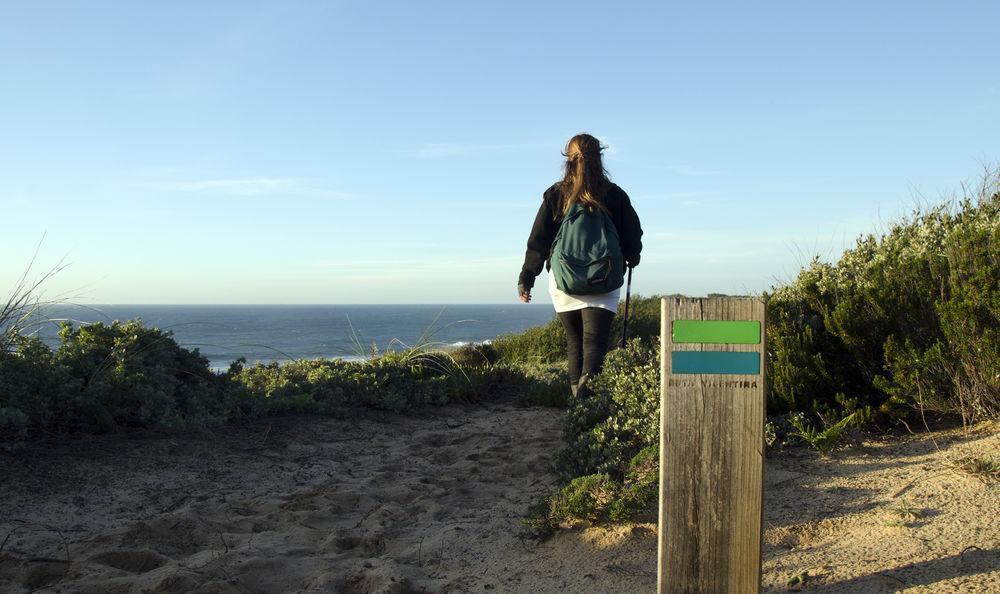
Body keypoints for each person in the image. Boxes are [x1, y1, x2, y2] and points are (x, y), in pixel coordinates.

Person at [517, 133, 643, 398]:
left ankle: (577, 403)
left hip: (564, 283)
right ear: (600, 158)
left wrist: (527, 278)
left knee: (574, 344)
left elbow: (538, 240)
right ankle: (586, 407)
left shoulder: (556, 195)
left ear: (568, 159)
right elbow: (633, 235)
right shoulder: (615, 195)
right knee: (595, 345)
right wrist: (633, 256)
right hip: (604, 280)